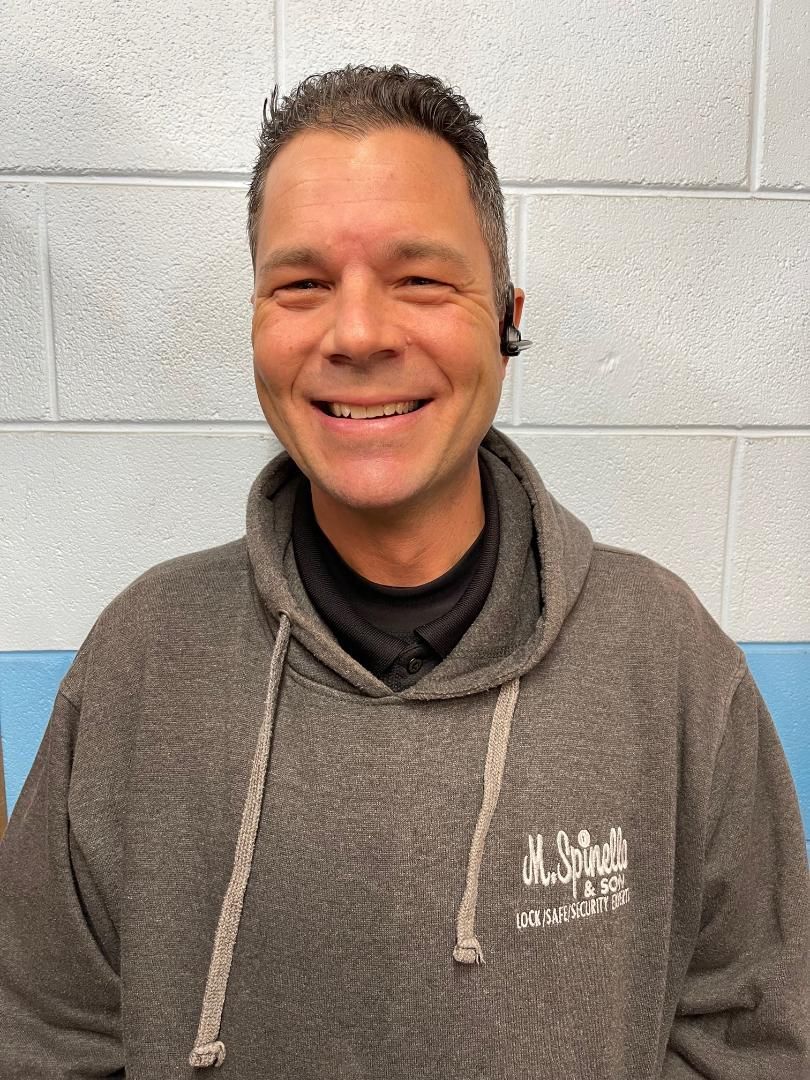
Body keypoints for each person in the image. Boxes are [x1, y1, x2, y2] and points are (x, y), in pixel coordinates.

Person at [0, 63, 807, 1079]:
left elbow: (753, 1039)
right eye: (301, 285)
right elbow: (43, 1041)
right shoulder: (140, 663)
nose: (358, 334)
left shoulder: (671, 663)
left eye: (420, 280)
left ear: (507, 322)